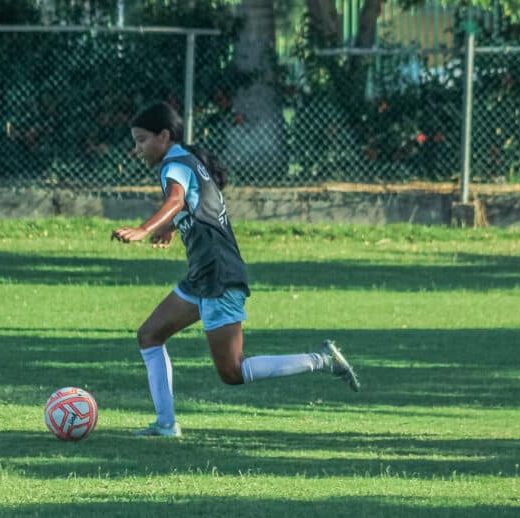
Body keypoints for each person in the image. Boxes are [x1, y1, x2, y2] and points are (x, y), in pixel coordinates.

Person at [111, 101, 360, 437]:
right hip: (203, 275)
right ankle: (166, 425)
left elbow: (176, 200)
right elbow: (197, 202)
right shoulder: (186, 159)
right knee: (149, 335)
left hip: (218, 274)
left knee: (232, 371)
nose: (136, 149)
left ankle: (323, 360)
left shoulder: (175, 165)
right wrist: (170, 228)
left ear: (164, 136)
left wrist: (144, 229)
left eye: (141, 140)